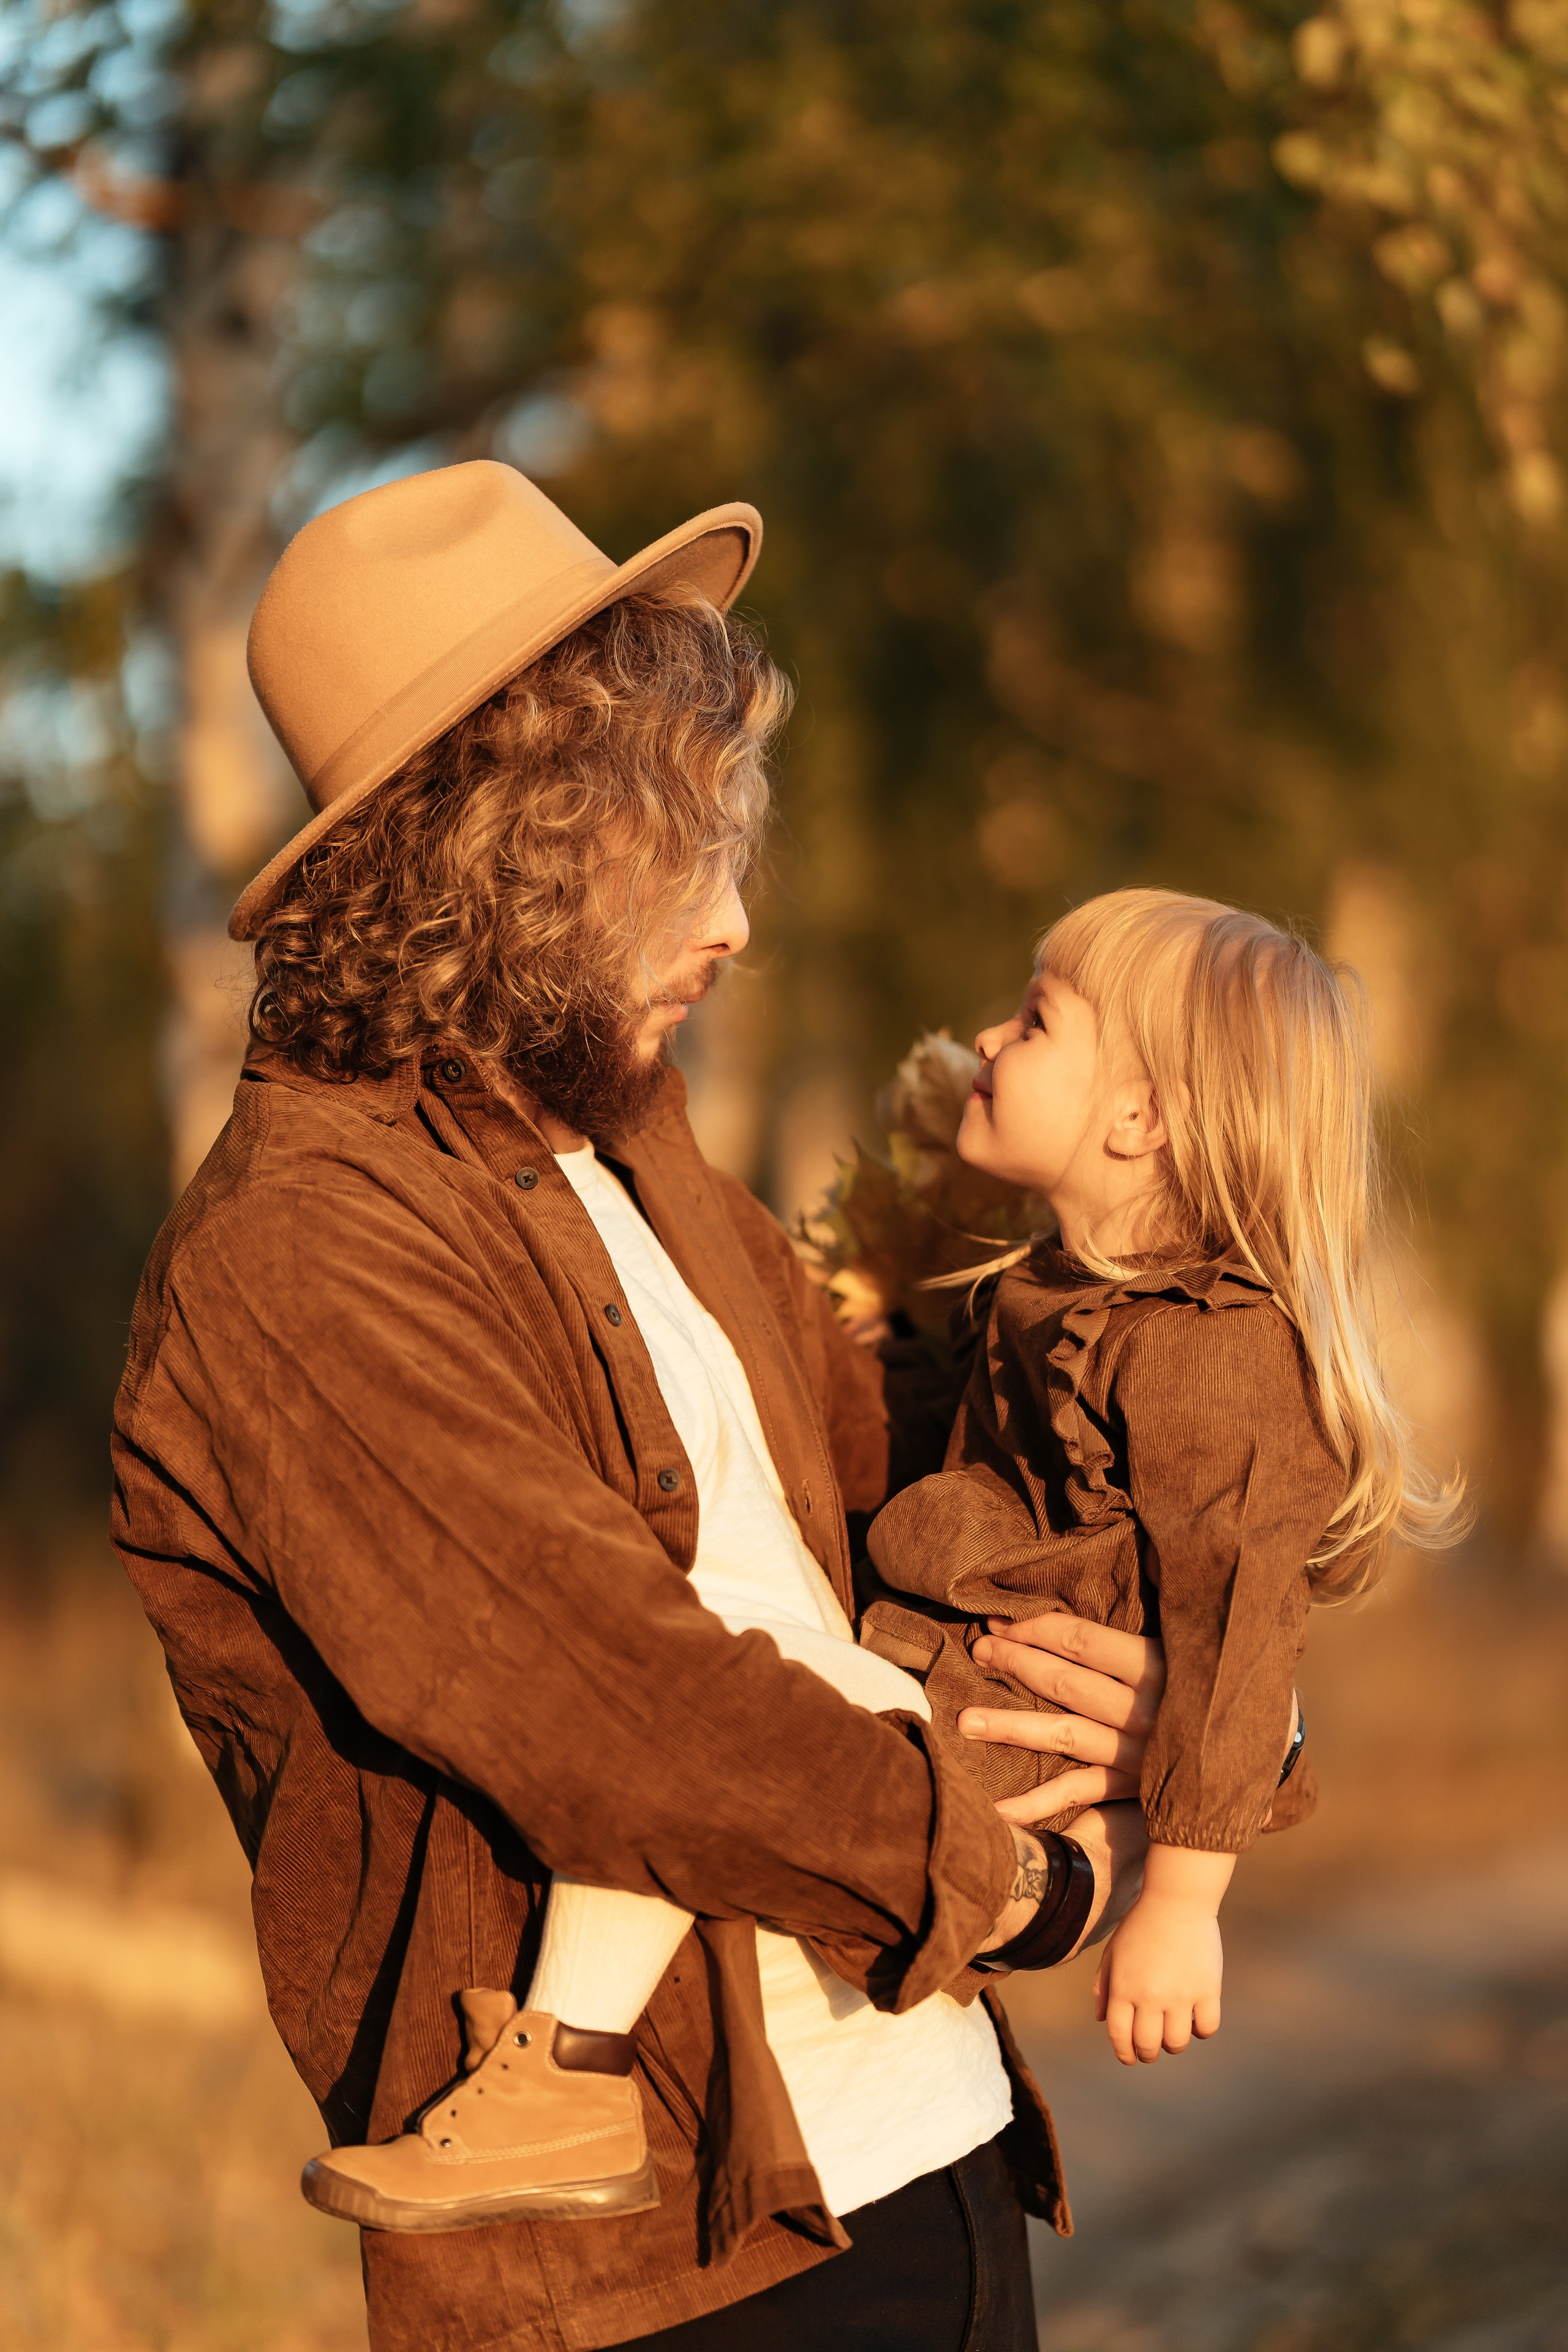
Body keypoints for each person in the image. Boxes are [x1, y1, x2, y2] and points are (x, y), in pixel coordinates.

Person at [111, 460, 1158, 2352]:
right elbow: (610, 1699)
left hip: (928, 2144)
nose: (737, 921)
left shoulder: (633, 1148)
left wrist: (1186, 1667)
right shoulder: (297, 1254)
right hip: (657, 2266)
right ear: (513, 839)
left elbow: (895, 1513)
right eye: (689, 847)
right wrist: (1018, 1884)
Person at [863, 889, 1466, 2067]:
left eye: (1033, 1022)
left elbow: (1237, 1625)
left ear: (1139, 1116)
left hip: (1000, 1726)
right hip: (954, 1669)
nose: (987, 1040)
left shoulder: (1215, 1349)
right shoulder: (1054, 1283)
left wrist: (1183, 1903)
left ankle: (1053, 1884)